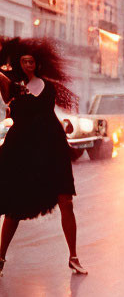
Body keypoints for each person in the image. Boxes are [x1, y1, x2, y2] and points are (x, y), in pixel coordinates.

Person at [0, 37, 86, 276]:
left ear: (38, 63)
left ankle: (74, 256)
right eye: (24, 61)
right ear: (18, 63)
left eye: (32, 61)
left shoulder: (48, 85)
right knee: (14, 208)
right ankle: (1, 257)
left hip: (52, 146)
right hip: (23, 149)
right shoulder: (11, 87)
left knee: (66, 200)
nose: (29, 65)